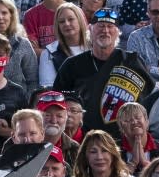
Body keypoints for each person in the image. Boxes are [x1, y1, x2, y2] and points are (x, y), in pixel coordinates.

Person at [53, 8, 152, 139]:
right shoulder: (72, 65)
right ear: (90, 29)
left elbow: (148, 99)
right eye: (100, 26)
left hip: (125, 139)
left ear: (118, 32)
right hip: (84, 139)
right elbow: (57, 102)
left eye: (110, 26)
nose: (105, 31)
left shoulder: (132, 61)